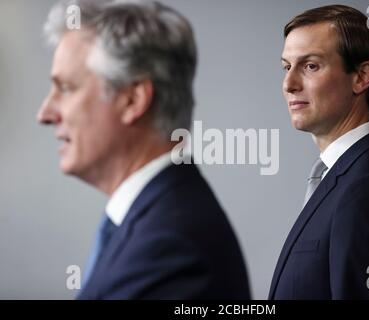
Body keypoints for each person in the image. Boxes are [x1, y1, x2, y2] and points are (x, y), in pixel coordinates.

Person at [37, 0, 250, 300]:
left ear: (133, 100)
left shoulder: (170, 248)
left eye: (67, 88)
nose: (44, 113)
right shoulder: (151, 222)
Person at [269, 5, 369, 299]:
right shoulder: (346, 178)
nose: (289, 84)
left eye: (310, 66)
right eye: (286, 67)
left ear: (362, 77)